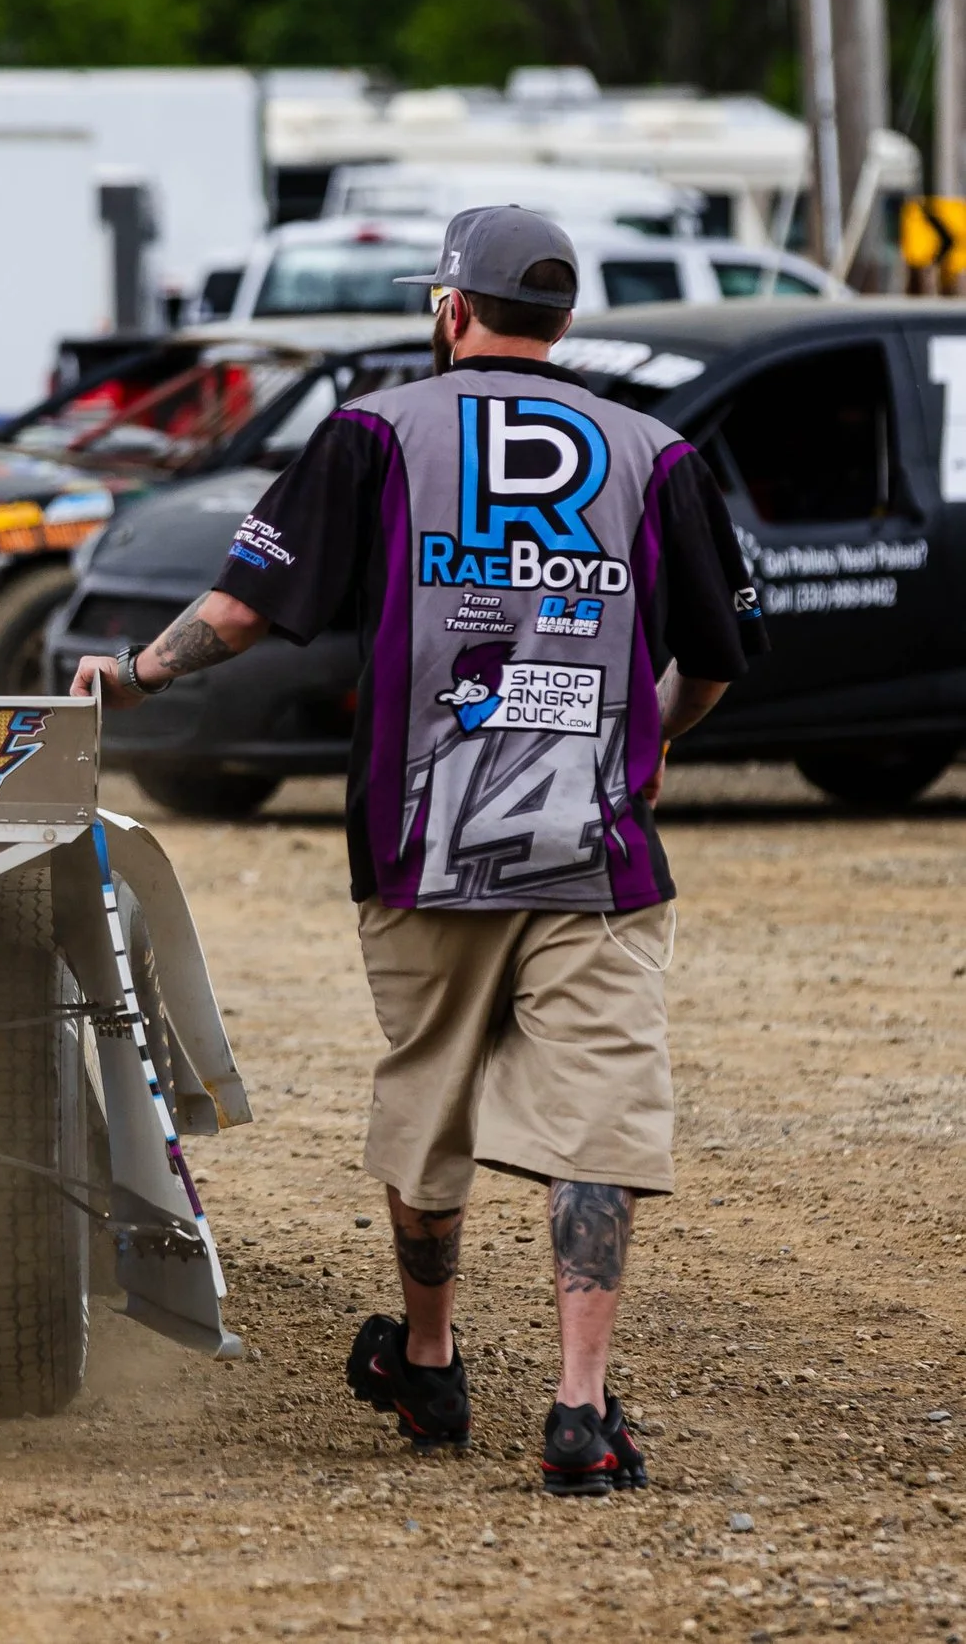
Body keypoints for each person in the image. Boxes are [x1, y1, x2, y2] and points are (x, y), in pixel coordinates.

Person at [72, 205, 768, 1498]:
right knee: (596, 1127)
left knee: (429, 1097)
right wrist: (647, 741)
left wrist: (137, 677)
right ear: (564, 320)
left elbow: (242, 608)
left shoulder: (374, 434)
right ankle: (578, 1410)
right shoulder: (657, 452)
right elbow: (718, 655)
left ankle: (433, 1360)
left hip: (421, 838)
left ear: (451, 310)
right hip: (594, 848)